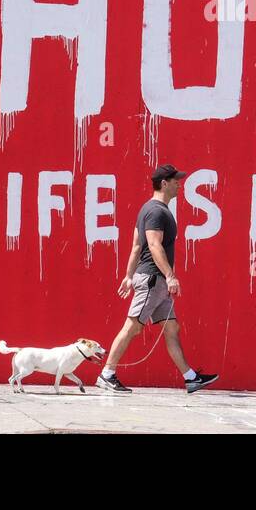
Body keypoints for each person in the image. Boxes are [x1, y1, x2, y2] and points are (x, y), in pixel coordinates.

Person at [96, 163, 219, 394]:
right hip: (153, 279)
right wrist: (170, 276)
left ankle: (191, 378)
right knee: (132, 327)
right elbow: (152, 244)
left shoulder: (149, 210)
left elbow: (135, 246)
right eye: (175, 181)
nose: (179, 185)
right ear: (164, 183)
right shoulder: (156, 211)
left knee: (171, 328)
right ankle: (107, 374)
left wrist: (128, 276)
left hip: (155, 281)